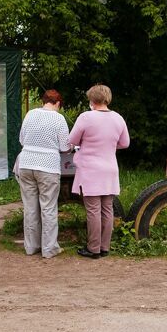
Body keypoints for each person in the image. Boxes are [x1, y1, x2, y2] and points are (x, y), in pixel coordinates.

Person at [68, 84, 130, 259]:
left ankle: (93, 248)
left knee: (93, 210)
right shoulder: (118, 118)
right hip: (110, 168)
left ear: (92, 100)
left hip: (90, 169)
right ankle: (105, 247)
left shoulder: (86, 117)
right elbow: (125, 143)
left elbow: (72, 139)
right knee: (107, 209)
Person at [17, 89, 71, 258]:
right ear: (58, 103)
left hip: (25, 164)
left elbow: (22, 139)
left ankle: (31, 247)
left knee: (30, 208)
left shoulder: (30, 114)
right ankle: (49, 249)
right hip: (48, 167)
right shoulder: (59, 118)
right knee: (48, 208)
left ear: (43, 101)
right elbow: (64, 147)